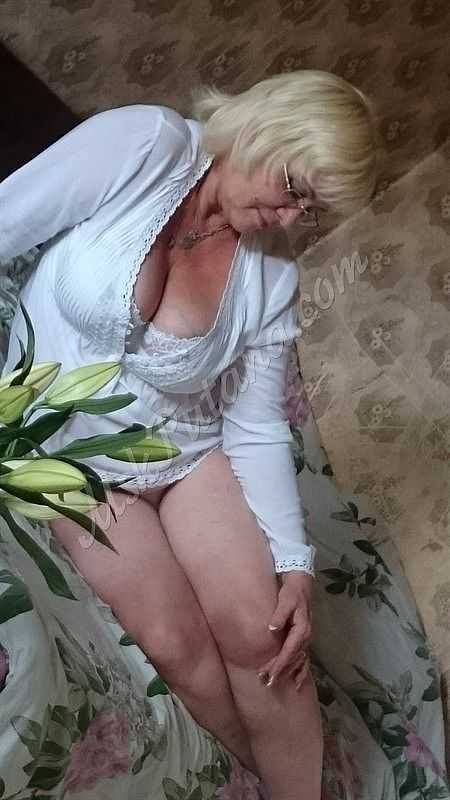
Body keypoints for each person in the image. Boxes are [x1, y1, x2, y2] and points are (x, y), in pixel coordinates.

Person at [0, 69, 378, 799]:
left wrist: (295, 562)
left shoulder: (273, 275)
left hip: (184, 449)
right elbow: (5, 221)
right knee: (181, 650)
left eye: (309, 209)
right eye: (292, 186)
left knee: (264, 637)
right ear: (264, 125)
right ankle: (257, 775)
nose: (288, 216)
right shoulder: (145, 144)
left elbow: (257, 425)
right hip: (71, 462)